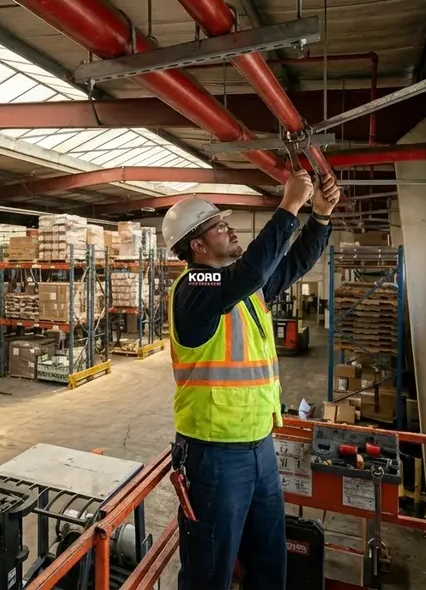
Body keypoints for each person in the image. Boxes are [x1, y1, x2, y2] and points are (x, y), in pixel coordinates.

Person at [162, 169, 340, 590]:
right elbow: (249, 273)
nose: (230, 229)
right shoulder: (194, 286)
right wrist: (288, 206)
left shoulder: (242, 289)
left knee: (269, 563)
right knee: (210, 573)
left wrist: (320, 216)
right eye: (218, 227)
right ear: (198, 246)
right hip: (214, 454)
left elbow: (292, 263)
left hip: (260, 447)